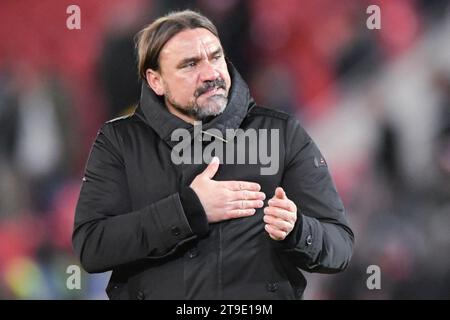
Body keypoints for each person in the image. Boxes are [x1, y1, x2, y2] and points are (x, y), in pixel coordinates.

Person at [72, 10, 354, 300]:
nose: (211, 74)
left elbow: (340, 246)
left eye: (215, 57)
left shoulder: (282, 133)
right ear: (156, 81)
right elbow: (92, 247)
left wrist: (298, 229)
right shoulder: (120, 141)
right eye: (190, 65)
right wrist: (188, 209)